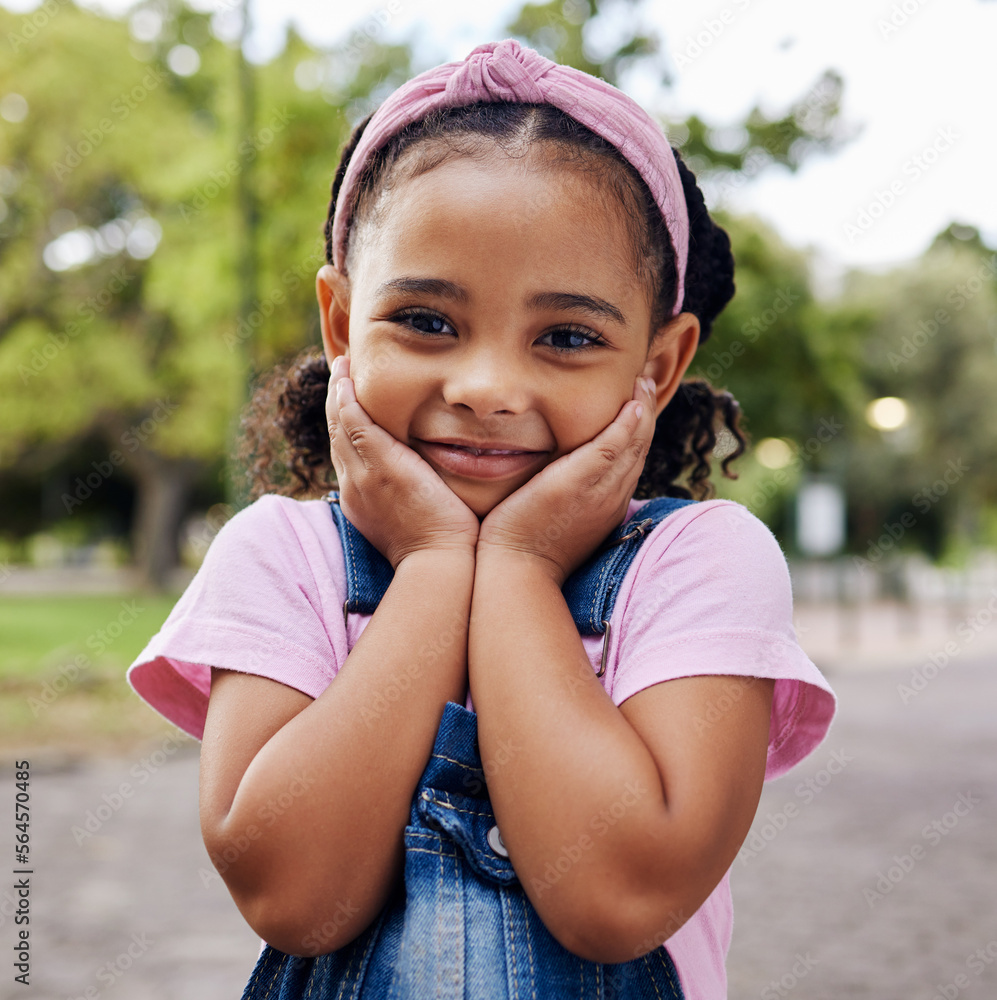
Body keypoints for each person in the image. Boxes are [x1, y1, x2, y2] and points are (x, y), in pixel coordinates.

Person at [127, 39, 836, 999]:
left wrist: (515, 568)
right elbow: (295, 895)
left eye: (568, 337)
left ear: (658, 366)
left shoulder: (699, 564)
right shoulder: (280, 556)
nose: (488, 388)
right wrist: (427, 568)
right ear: (340, 323)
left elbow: (615, 897)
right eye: (425, 320)